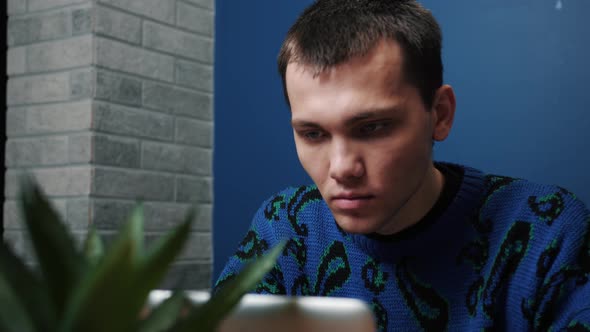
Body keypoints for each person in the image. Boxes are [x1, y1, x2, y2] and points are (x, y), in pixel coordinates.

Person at [214, 0, 590, 330]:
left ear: (439, 115)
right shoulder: (285, 226)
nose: (342, 168)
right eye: (313, 134)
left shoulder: (548, 230)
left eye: (372, 127)